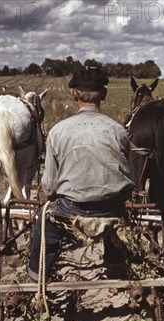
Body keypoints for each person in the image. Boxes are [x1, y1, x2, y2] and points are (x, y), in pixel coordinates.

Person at [28, 65, 134, 282]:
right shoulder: (119, 131)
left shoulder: (58, 131)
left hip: (71, 209)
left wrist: (47, 198)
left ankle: (37, 275)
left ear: (73, 93)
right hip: (111, 208)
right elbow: (128, 172)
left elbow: (48, 186)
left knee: (43, 220)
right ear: (103, 94)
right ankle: (115, 264)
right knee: (118, 211)